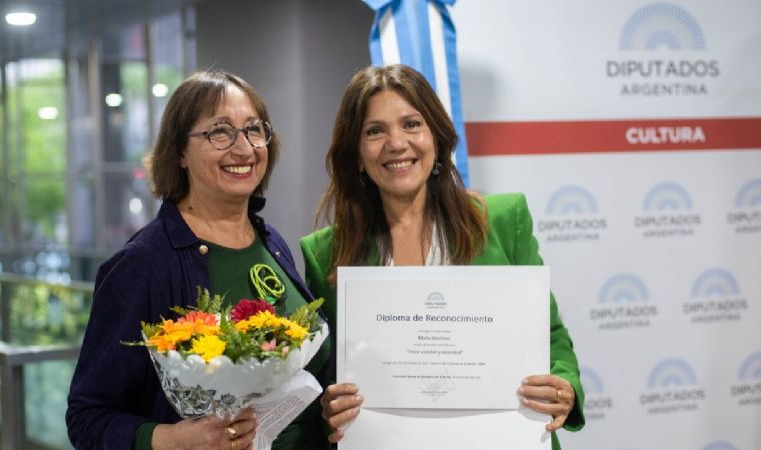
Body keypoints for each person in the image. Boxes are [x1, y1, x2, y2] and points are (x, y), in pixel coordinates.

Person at [300, 64, 585, 449]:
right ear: (356, 153)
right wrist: (328, 408)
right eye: (374, 131)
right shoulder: (325, 254)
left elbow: (549, 335)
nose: (396, 143)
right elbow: (323, 381)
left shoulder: (503, 221)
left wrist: (564, 384)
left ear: (437, 136)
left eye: (411, 124)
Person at [67, 70, 331, 450]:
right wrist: (172, 439)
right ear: (179, 153)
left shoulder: (272, 243)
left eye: (254, 130)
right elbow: (87, 419)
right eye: (220, 132)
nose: (243, 148)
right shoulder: (142, 265)